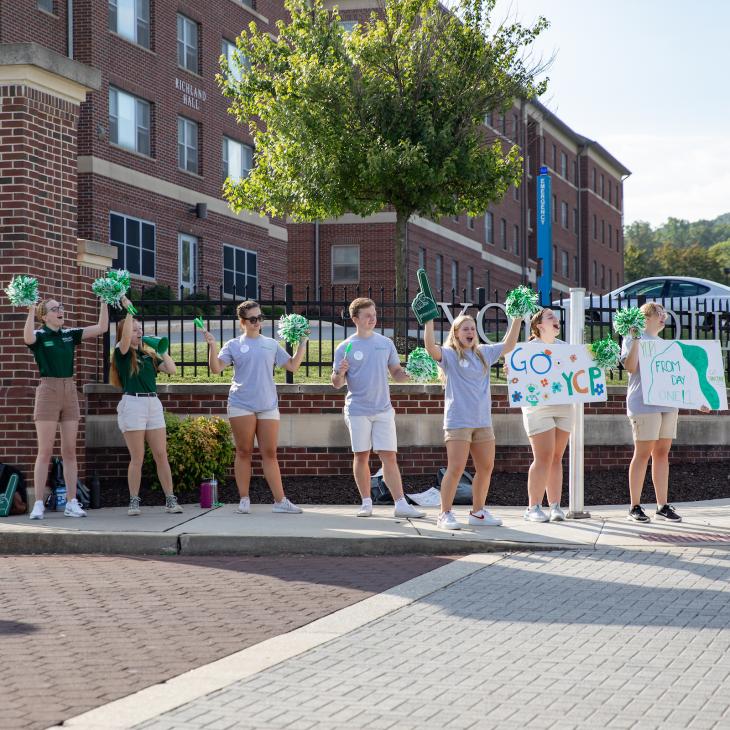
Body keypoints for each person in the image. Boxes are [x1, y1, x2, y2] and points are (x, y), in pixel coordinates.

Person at [205, 300, 307, 514]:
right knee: (244, 452)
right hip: (241, 403)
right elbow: (216, 369)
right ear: (242, 321)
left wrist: (302, 344)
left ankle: (280, 501)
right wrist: (212, 346)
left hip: (268, 404)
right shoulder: (233, 345)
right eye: (253, 319)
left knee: (270, 453)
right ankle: (244, 499)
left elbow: (292, 366)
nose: (257, 322)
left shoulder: (270, 343)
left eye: (260, 318)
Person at [424, 313, 521, 530]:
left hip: (483, 421)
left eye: (472, 329)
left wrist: (517, 318)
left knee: (486, 467)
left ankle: (478, 512)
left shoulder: (484, 353)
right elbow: (431, 348)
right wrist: (429, 322)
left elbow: (510, 344)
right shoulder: (449, 355)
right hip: (458, 421)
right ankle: (445, 513)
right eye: (465, 329)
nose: (470, 332)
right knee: (456, 468)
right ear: (456, 334)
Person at [331, 298, 425, 519]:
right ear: (355, 319)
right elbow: (336, 383)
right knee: (361, 456)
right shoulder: (345, 347)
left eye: (374, 314)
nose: (373, 319)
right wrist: (340, 372)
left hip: (383, 409)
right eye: (367, 315)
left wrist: (411, 372)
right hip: (357, 410)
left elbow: (397, 374)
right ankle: (366, 502)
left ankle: (400, 503)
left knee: (389, 456)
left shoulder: (385, 343)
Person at [621, 302, 710, 523]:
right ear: (645, 317)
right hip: (643, 403)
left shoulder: (666, 345)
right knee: (642, 453)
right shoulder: (634, 337)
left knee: (662, 453)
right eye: (658, 314)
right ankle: (635, 506)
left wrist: (698, 401)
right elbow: (630, 368)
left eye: (664, 314)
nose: (663, 317)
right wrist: (636, 340)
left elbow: (680, 380)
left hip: (667, 406)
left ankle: (662, 505)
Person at [24, 296, 108, 519]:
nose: (61, 310)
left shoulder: (69, 334)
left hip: (69, 389)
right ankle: (39, 503)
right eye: (55, 308)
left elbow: (101, 327)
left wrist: (104, 302)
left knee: (70, 451)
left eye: (61, 307)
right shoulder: (40, 336)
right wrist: (31, 310)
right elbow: (28, 337)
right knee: (45, 451)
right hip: (48, 390)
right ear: (45, 316)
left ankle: (72, 501)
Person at [109, 298, 183, 516]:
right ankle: (134, 501)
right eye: (134, 329)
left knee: (161, 454)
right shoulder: (121, 353)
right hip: (133, 403)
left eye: (140, 329)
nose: (138, 332)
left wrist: (162, 349)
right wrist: (128, 310)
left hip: (152, 403)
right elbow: (124, 343)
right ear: (124, 332)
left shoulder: (148, 355)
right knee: (137, 457)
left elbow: (172, 370)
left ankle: (170, 499)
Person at [520, 308, 573, 523]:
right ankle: (533, 507)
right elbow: (517, 373)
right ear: (539, 325)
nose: (555, 320)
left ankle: (555, 506)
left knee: (557, 457)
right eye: (550, 317)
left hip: (564, 407)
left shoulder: (566, 349)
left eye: (556, 317)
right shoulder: (528, 349)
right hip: (538, 408)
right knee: (543, 457)